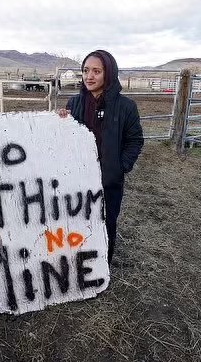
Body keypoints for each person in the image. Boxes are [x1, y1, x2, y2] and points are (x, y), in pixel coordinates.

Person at [58, 50, 143, 264]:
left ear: (109, 74)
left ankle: (101, 266)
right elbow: (65, 140)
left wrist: (120, 166)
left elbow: (135, 140)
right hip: (78, 178)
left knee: (106, 222)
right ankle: (79, 265)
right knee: (77, 220)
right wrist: (59, 122)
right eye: (86, 71)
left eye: (97, 71)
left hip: (109, 181)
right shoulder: (74, 104)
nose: (89, 76)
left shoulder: (126, 107)